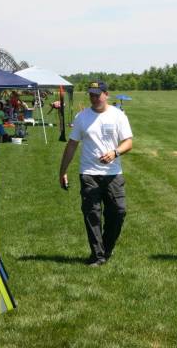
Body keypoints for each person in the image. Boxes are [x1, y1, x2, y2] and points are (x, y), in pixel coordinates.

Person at [59, 81, 133, 267]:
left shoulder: (118, 115)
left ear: (106, 94)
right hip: (89, 173)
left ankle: (106, 249)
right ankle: (98, 255)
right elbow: (72, 145)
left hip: (113, 173)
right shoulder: (82, 117)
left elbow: (128, 142)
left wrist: (115, 152)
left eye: (97, 94)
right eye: (91, 94)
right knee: (92, 214)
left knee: (118, 212)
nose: (94, 98)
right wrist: (63, 171)